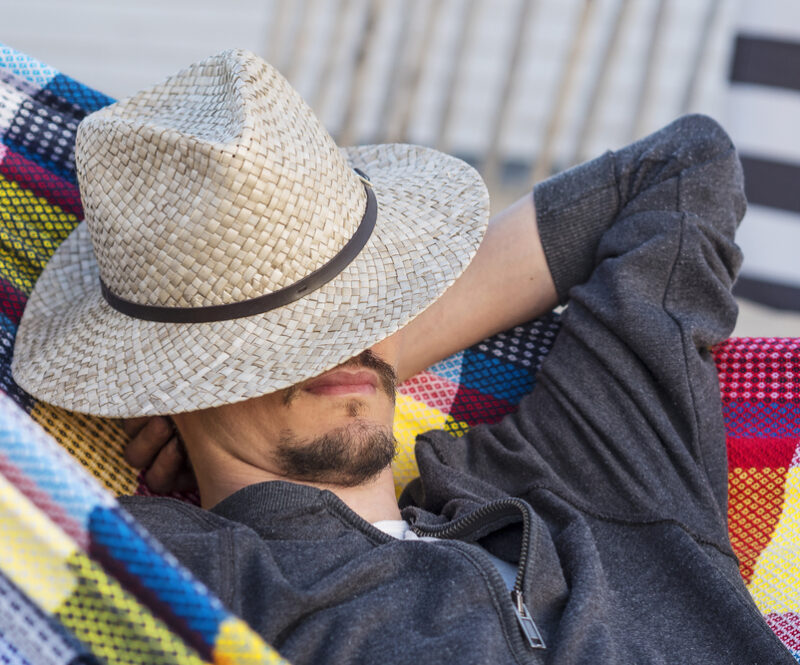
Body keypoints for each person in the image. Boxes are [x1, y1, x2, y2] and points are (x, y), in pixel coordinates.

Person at [11, 49, 793, 664]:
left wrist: (362, 355)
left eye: (356, 296)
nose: (343, 333)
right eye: (281, 318)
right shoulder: (167, 569)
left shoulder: (593, 465)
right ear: (173, 364)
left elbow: (683, 169)